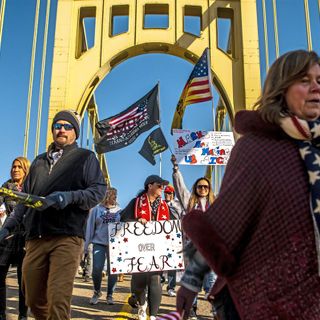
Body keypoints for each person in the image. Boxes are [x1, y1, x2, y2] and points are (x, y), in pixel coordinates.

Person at [180, 50, 320, 319]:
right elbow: (224, 225)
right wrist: (190, 279)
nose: (315, 87)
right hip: (263, 299)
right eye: (304, 80)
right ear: (281, 89)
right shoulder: (256, 148)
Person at [0, 110, 107, 319]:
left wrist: (67, 197)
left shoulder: (86, 158)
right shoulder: (38, 162)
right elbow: (24, 202)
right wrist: (6, 228)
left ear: (75, 132)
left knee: (58, 298)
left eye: (68, 126)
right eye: (58, 125)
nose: (62, 129)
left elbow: (98, 192)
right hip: (35, 238)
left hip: (67, 237)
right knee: (33, 299)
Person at [121, 175, 172, 320]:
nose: (162, 188)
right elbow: (123, 218)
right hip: (139, 248)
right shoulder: (136, 202)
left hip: (158, 247)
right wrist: (137, 220)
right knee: (139, 280)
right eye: (160, 185)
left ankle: (153, 315)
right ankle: (141, 305)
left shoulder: (164, 206)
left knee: (155, 278)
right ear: (150, 186)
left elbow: (172, 225)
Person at [171, 155, 216, 320]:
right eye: (200, 186)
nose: (203, 189)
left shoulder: (216, 204)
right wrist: (176, 169)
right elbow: (180, 187)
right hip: (194, 247)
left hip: (211, 248)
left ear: (209, 189)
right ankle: (191, 310)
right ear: (196, 187)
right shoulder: (189, 202)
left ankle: (216, 311)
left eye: (205, 187)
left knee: (212, 281)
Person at [0, 157, 30, 320]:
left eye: (19, 167)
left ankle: (23, 315)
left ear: (26, 169)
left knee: (23, 280)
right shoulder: (5, 187)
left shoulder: (31, 188)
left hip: (25, 238)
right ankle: (1, 314)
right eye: (13, 166)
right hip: (5, 238)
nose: (15, 169)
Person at [84, 187, 121, 305]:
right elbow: (90, 228)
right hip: (98, 243)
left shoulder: (120, 211)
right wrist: (85, 246)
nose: (115, 198)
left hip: (114, 245)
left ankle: (110, 295)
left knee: (113, 271)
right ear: (107, 196)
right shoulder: (96, 210)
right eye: (113, 195)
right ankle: (97, 292)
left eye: (116, 195)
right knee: (97, 269)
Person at [163, 185, 185, 297]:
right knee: (160, 260)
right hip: (161, 236)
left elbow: (182, 218)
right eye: (166, 193)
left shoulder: (178, 205)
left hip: (174, 237)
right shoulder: (160, 204)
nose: (167, 195)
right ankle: (159, 282)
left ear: (173, 194)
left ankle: (171, 287)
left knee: (172, 263)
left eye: (169, 193)